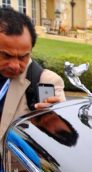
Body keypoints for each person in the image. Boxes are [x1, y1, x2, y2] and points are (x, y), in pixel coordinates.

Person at [0, 7, 65, 140]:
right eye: (5, 55)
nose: (15, 66)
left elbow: (62, 141)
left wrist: (54, 121)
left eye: (23, 57)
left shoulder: (46, 81)